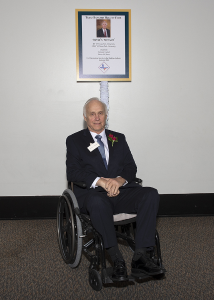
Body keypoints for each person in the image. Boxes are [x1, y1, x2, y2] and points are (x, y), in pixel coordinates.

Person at [66, 97, 165, 281]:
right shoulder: (74, 141)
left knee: (150, 194)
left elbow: (130, 168)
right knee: (98, 202)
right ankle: (116, 258)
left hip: (121, 193)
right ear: (85, 117)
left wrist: (119, 180)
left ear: (106, 115)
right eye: (92, 114)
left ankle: (141, 256)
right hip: (94, 195)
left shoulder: (118, 138)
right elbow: (73, 173)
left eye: (100, 113)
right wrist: (101, 181)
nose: (97, 118)